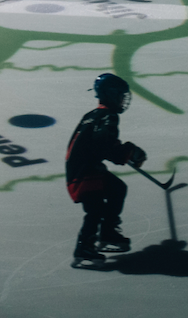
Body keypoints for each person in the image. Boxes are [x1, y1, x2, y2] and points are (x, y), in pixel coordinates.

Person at [65, 73, 147, 269]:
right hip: (85, 174)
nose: (123, 100)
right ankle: (84, 247)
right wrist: (129, 152)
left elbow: (98, 143)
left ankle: (108, 233)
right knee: (95, 210)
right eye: (121, 96)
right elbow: (104, 147)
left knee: (117, 188)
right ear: (111, 95)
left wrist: (122, 150)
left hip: (83, 169)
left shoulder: (93, 115)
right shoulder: (108, 117)